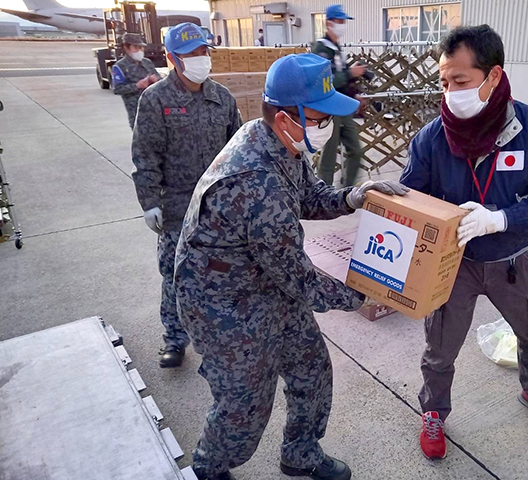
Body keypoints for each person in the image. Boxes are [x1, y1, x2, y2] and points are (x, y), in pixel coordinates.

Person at [174, 53, 408, 480]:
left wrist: (353, 196)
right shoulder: (254, 180)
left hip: (265, 281)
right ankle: (208, 468)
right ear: (286, 117)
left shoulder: (277, 142)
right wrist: (368, 292)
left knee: (311, 369)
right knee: (244, 404)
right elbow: (301, 278)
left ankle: (299, 453)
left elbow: (311, 197)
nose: (328, 125)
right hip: (223, 304)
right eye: (321, 117)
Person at [399, 25, 528, 460]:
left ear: (493, 76)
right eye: (443, 82)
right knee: (440, 347)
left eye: (460, 81)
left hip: (514, 260)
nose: (450, 92)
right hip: (453, 264)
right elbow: (412, 199)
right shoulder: (432, 138)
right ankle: (434, 410)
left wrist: (500, 219)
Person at [131, 22, 241, 369]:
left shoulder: (222, 98)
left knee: (223, 273)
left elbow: (239, 150)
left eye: (204, 52)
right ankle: (175, 340)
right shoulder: (156, 100)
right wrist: (149, 203)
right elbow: (145, 156)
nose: (200, 59)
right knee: (177, 276)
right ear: (171, 58)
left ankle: (219, 335)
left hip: (218, 208)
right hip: (177, 207)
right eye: (192, 54)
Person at [312, 4, 365, 187]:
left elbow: (340, 80)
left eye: (343, 21)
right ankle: (322, 193)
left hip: (343, 108)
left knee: (356, 151)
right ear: (328, 23)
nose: (342, 25)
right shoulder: (321, 48)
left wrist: (354, 94)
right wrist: (351, 73)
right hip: (329, 109)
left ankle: (347, 188)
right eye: (339, 21)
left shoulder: (336, 47)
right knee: (328, 154)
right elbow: (325, 82)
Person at [111, 33, 160, 128]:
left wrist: (156, 80)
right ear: (126, 48)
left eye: (141, 47)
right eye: (136, 47)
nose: (140, 51)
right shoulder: (120, 66)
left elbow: (159, 79)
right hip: (136, 111)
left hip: (154, 109)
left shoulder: (147, 63)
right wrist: (137, 86)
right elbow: (117, 89)